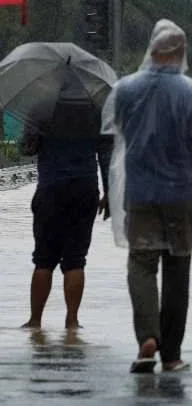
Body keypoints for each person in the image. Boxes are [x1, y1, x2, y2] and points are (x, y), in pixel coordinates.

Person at [103, 19, 192, 374]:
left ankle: (147, 337)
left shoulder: (126, 89)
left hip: (141, 192)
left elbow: (117, 131)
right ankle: (172, 354)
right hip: (182, 194)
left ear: (152, 49)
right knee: (177, 269)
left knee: (142, 263)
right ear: (180, 53)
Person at [19, 98, 113, 330]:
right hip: (84, 189)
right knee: (76, 260)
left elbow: (26, 149)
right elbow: (106, 154)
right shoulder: (97, 110)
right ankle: (72, 321)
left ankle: (35, 321)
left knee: (43, 259)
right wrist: (110, 193)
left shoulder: (41, 107)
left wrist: (34, 136)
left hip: (50, 189)